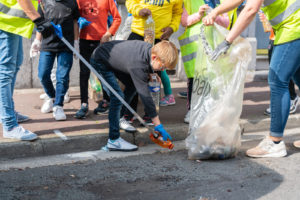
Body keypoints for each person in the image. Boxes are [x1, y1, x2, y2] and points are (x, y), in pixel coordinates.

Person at [203, 0, 300, 157]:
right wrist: (215, 12)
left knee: (278, 81)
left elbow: (250, 9)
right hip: (292, 25)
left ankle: (275, 142)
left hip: (293, 26)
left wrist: (228, 41)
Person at [90, 40, 178, 151]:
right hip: (100, 60)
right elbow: (145, 96)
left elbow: (146, 64)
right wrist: (158, 125)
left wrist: (152, 72)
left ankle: (119, 117)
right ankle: (113, 140)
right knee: (117, 97)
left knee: (132, 86)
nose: (162, 70)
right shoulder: (138, 64)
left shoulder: (149, 51)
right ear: (155, 57)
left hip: (113, 58)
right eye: (162, 67)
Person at [122, 0, 182, 131]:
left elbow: (177, 13)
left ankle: (151, 115)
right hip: (139, 34)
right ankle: (128, 112)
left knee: (154, 78)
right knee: (131, 75)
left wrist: (172, 28)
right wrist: (138, 11)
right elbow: (130, 2)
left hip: (160, 37)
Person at [0, 0, 53, 140]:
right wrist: (38, 20)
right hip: (4, 22)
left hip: (11, 24)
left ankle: (7, 112)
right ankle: (9, 124)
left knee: (14, 66)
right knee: (5, 72)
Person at [179, 0, 229, 124]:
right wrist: (199, 15)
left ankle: (210, 111)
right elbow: (184, 21)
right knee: (195, 81)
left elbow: (226, 23)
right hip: (195, 47)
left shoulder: (220, 1)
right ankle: (192, 111)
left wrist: (214, 15)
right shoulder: (187, 1)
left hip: (214, 46)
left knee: (213, 80)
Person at [31, 0, 80, 121]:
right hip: (47, 44)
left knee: (62, 76)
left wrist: (76, 42)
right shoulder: (43, 3)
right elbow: (40, 24)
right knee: (43, 74)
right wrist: (37, 40)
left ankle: (58, 105)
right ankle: (52, 97)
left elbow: (75, 22)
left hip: (66, 44)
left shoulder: (72, 2)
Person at [74, 0, 121, 119]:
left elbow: (117, 18)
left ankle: (106, 101)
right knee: (84, 73)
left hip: (101, 41)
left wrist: (108, 34)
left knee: (103, 72)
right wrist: (79, 22)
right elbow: (74, 17)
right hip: (84, 40)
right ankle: (84, 104)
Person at [258, 13, 300, 116]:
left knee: (282, 73)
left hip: (289, 36)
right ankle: (286, 100)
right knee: (276, 72)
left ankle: (290, 98)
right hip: (275, 37)